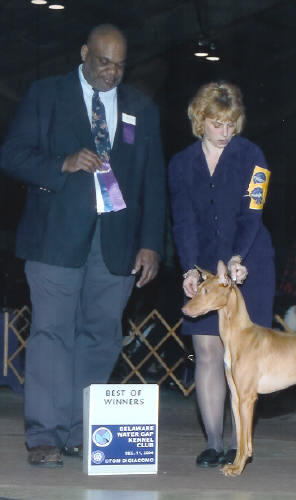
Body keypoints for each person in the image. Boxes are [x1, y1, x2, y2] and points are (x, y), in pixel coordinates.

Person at [0, 24, 166, 467]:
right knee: (52, 334)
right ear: (84, 54)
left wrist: (151, 244)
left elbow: (153, 182)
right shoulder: (45, 94)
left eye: (120, 65)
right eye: (104, 62)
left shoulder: (140, 109)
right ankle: (45, 436)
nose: (112, 73)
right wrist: (63, 162)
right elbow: (12, 155)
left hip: (115, 245)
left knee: (101, 337)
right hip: (54, 239)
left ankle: (82, 432)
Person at [168, 81, 275, 468]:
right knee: (208, 351)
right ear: (200, 120)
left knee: (243, 358)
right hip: (202, 267)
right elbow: (183, 223)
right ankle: (214, 442)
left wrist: (234, 259)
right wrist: (190, 269)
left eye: (231, 124)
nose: (225, 132)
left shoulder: (255, 156)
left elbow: (253, 212)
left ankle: (240, 445)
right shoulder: (180, 164)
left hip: (249, 263)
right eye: (216, 124)